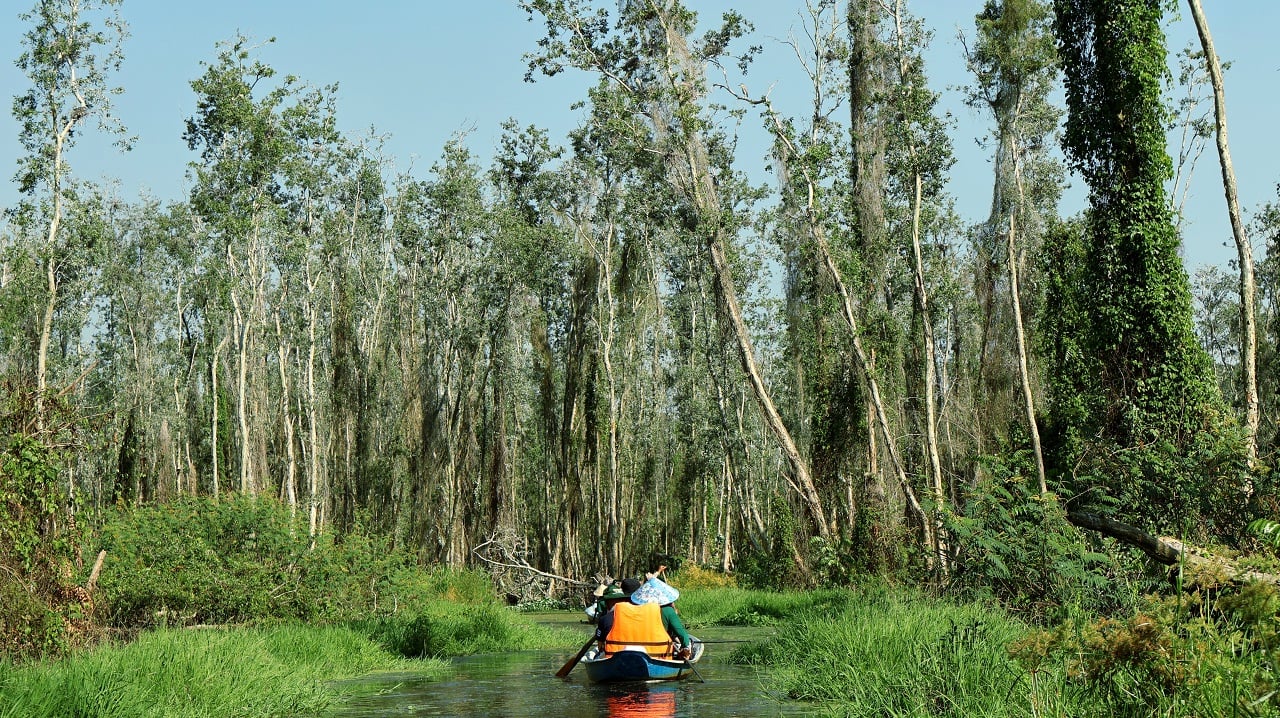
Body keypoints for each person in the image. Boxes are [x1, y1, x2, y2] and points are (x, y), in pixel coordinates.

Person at [596, 575, 692, 659]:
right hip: (659, 654)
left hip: (631, 651)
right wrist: (686, 648)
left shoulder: (633, 609)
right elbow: (682, 634)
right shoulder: (667, 610)